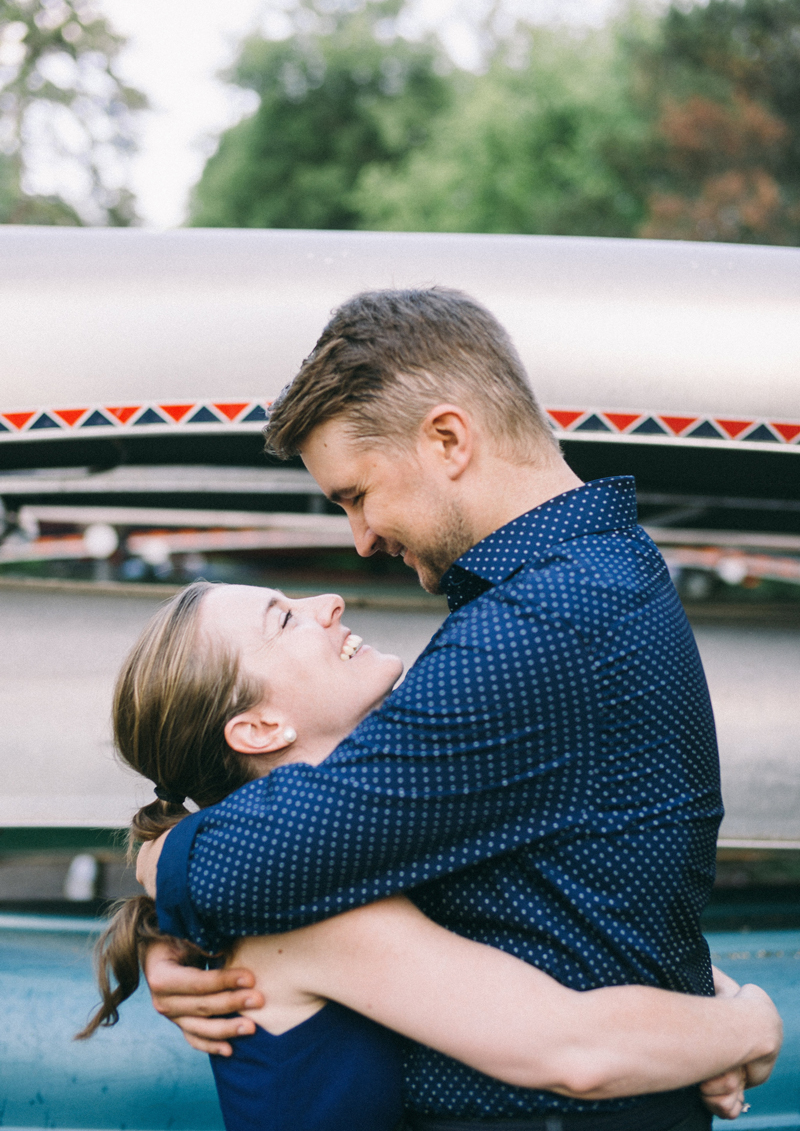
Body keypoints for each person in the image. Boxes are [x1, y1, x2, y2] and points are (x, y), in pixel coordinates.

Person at [140, 288, 767, 1130]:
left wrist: (155, 866)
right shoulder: (589, 584)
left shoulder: (538, 629)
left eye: (356, 494)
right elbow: (550, 896)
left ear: (446, 439)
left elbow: (247, 865)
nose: (359, 539)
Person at [82, 580, 779, 1131]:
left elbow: (541, 943)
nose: (328, 602)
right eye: (283, 620)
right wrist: (747, 1024)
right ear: (260, 727)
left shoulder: (346, 858)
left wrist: (701, 1009)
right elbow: (574, 1049)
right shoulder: (309, 916)